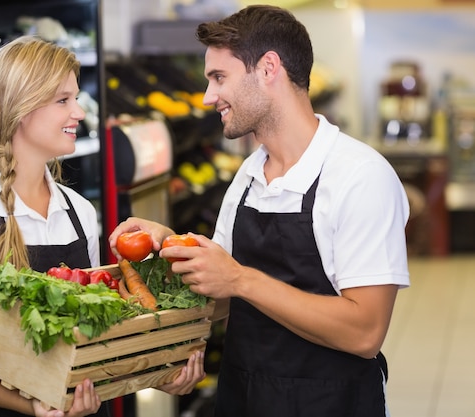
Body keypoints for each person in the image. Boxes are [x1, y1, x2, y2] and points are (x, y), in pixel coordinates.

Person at [109, 5, 410, 417]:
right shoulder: (250, 174)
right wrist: (172, 248)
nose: (207, 97)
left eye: (219, 78)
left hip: (330, 404)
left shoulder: (359, 177)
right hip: (243, 397)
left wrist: (240, 279)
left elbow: (364, 332)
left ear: (269, 68)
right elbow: (221, 299)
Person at [0, 35, 204, 417]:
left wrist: (158, 371)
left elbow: (88, 338)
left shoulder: (79, 212)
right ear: (21, 108)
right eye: (63, 100)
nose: (80, 113)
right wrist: (32, 404)